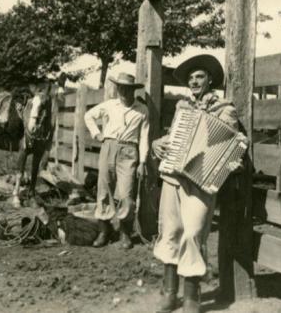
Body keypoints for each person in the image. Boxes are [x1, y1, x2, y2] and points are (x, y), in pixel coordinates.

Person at [152, 54, 247, 313]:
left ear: (210, 80)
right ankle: (170, 292)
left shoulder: (225, 108)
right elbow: (172, 138)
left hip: (204, 180)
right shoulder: (182, 107)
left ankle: (192, 296)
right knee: (170, 230)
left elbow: (231, 143)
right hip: (174, 175)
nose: (194, 82)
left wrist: (230, 160)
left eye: (199, 77)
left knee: (193, 233)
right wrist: (157, 144)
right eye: (191, 78)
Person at [84, 72, 149, 249]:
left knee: (126, 193)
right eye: (120, 87)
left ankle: (124, 233)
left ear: (133, 90)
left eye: (127, 88)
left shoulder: (142, 110)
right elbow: (88, 116)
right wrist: (97, 134)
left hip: (129, 151)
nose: (123, 91)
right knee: (104, 190)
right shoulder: (110, 105)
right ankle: (104, 231)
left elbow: (144, 137)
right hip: (108, 147)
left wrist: (142, 162)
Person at [12, 77, 52, 208]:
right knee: (22, 153)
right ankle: (16, 191)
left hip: (40, 122)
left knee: (36, 164)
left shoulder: (46, 100)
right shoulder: (30, 99)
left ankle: (31, 192)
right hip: (32, 120)